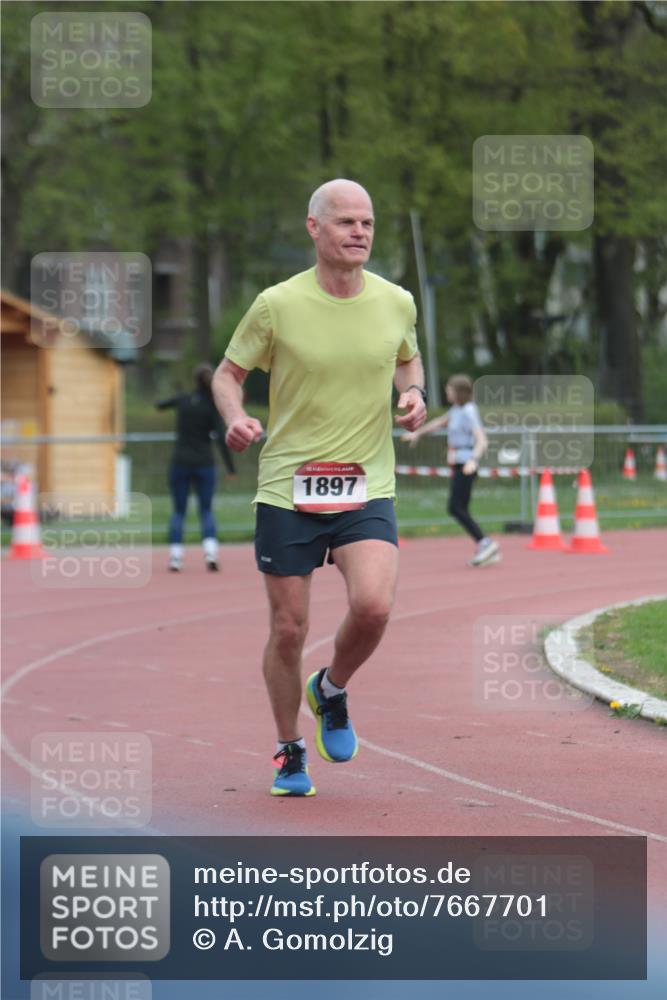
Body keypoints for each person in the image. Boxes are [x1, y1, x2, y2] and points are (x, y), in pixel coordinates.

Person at [213, 178, 427, 797]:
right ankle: (288, 750)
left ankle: (330, 688)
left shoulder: (396, 301)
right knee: (288, 629)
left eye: (367, 223)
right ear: (314, 228)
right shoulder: (276, 305)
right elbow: (229, 374)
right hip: (289, 489)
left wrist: (412, 393)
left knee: (375, 606)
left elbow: (407, 359)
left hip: (367, 483)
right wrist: (234, 416)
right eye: (345, 222)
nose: (359, 232)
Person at [402, 374, 500, 567]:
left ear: (459, 392)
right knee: (459, 508)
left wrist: (473, 460)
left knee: (456, 507)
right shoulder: (456, 410)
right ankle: (484, 544)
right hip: (457, 463)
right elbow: (438, 423)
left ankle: (485, 542)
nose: (447, 392)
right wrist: (417, 434)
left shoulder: (469, 411)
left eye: (449, 389)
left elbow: (482, 439)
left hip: (466, 464)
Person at [156, 363, 236, 572]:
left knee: (179, 511)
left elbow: (159, 404)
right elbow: (220, 438)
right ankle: (210, 552)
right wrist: (230, 468)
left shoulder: (183, 400)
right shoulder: (211, 406)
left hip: (180, 462)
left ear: (194, 381)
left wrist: (176, 394)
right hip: (204, 464)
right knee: (206, 509)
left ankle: (175, 557)